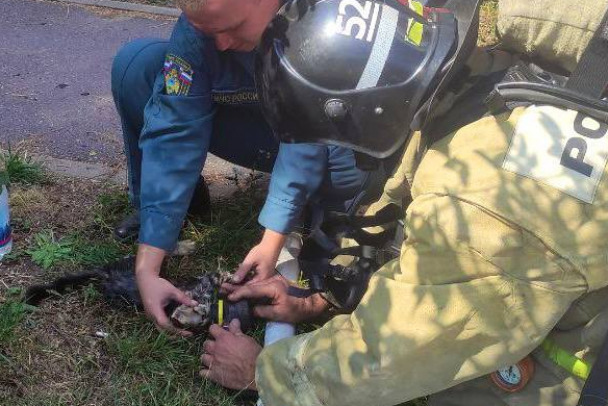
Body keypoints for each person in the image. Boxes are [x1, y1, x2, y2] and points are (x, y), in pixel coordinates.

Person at [199, 0, 608, 405]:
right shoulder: (475, 74)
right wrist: (322, 296)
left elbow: (396, 350)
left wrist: (265, 373)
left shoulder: (487, 213)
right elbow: (395, 199)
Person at [110, 0, 380, 335]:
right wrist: (147, 267)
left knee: (348, 161)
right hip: (263, 130)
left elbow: (306, 138)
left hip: (326, 136)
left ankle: (326, 219)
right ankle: (173, 209)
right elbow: (175, 127)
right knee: (137, 67)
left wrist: (272, 241)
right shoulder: (202, 30)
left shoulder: (322, 21)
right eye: (207, 30)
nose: (220, 43)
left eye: (231, 28)